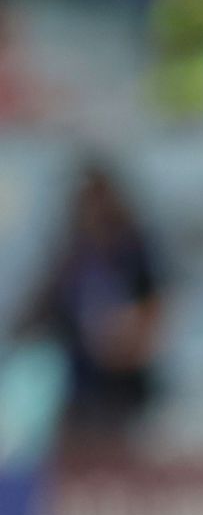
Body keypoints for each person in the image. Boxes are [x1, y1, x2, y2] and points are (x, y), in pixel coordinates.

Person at [15, 160, 169, 459]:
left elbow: (158, 304)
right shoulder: (74, 251)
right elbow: (41, 308)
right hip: (80, 385)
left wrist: (131, 337)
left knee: (120, 463)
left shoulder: (132, 248)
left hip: (125, 385)